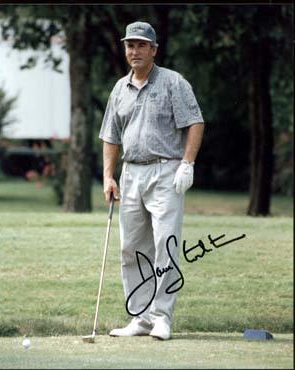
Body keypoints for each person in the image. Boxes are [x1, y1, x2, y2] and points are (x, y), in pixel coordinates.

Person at [99, 21, 204, 340]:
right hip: (131, 173)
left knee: (164, 244)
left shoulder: (173, 82)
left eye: (142, 45)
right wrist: (108, 176)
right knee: (131, 248)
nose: (135, 51)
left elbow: (195, 123)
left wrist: (187, 163)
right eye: (130, 45)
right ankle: (140, 317)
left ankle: (162, 317)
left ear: (154, 49)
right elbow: (111, 136)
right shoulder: (120, 88)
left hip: (166, 171)